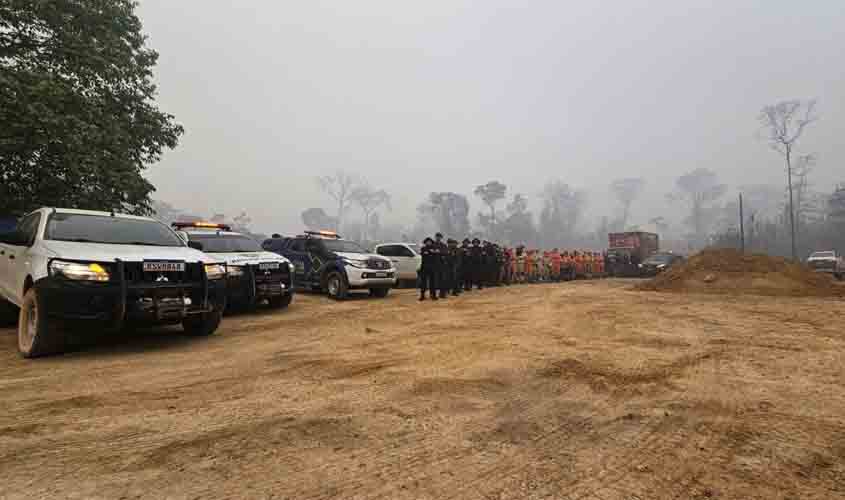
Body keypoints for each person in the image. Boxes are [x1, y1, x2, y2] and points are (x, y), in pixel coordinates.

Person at [434, 233, 450, 299]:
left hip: (442, 265)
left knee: (442, 280)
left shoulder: (443, 245)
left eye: (439, 237)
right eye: (437, 237)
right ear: (435, 237)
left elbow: (446, 253)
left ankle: (442, 294)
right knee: (434, 280)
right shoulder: (433, 244)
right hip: (434, 265)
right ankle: (433, 294)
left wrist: (439, 252)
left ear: (441, 238)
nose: (438, 238)